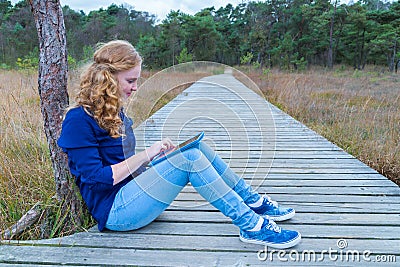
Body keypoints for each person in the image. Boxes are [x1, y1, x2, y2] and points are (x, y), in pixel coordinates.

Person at [57, 40, 301, 249]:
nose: (135, 87)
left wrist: (159, 158)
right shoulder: (78, 120)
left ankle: (254, 202)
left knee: (194, 149)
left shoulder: (114, 112)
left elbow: (123, 164)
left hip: (134, 194)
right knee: (189, 160)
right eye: (130, 80)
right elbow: (97, 179)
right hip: (116, 212)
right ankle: (251, 226)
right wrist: (147, 154)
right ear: (108, 78)